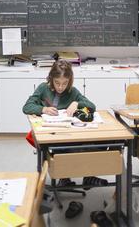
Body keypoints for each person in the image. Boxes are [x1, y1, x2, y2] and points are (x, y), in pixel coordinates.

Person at [22, 60, 106, 189]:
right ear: (51, 79)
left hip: (68, 133)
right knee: (60, 151)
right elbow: (27, 107)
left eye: (65, 83)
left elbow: (92, 106)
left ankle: (88, 176)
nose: (60, 87)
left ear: (69, 81)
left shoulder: (72, 92)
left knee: (94, 144)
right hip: (49, 134)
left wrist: (77, 103)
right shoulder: (43, 88)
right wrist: (43, 109)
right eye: (57, 83)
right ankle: (63, 178)